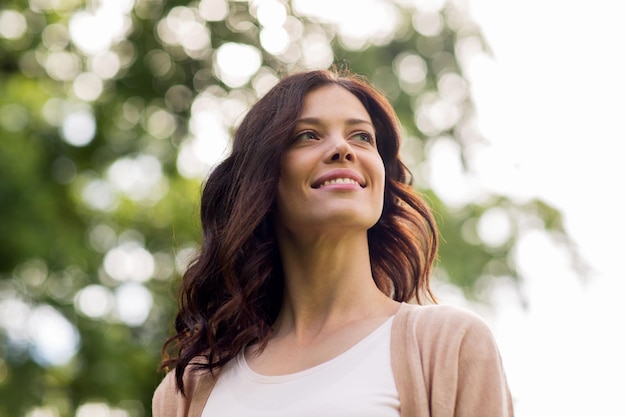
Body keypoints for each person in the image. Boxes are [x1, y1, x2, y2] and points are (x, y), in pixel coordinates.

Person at [152, 68, 514, 417]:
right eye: (307, 135)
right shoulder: (191, 389)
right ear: (262, 179)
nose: (343, 148)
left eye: (362, 137)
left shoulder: (449, 344)